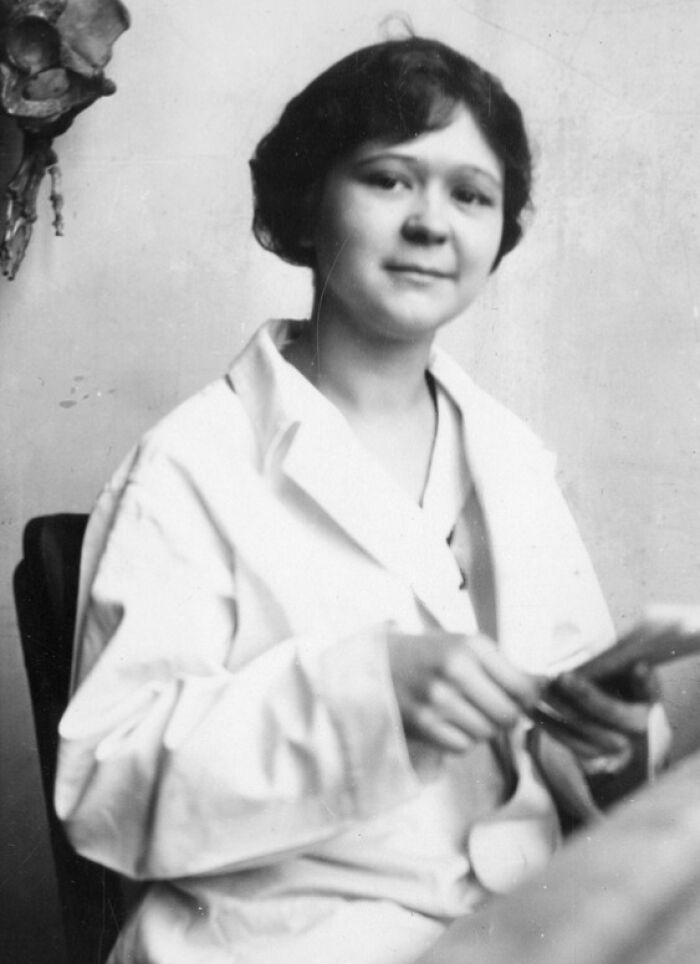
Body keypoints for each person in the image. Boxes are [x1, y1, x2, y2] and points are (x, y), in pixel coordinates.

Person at [54, 36, 667, 964]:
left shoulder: (513, 461)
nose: (432, 222)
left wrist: (608, 747)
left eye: (470, 194)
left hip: (523, 925)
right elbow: (106, 792)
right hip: (289, 938)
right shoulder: (190, 466)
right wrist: (370, 696)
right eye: (389, 180)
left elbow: (559, 768)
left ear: (500, 232)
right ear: (309, 202)